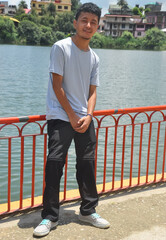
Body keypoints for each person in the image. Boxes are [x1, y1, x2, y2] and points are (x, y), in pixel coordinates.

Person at [33, 2, 110, 237]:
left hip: (83, 118)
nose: (88, 25)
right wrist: (73, 114)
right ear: (75, 22)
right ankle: (49, 216)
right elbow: (57, 86)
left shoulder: (94, 57)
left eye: (93, 22)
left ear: (98, 26)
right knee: (55, 164)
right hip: (61, 115)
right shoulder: (61, 47)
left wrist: (88, 115)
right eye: (84, 20)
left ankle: (88, 211)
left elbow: (92, 92)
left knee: (87, 165)